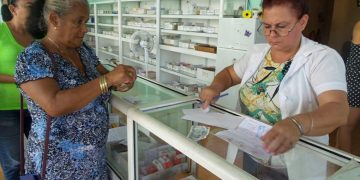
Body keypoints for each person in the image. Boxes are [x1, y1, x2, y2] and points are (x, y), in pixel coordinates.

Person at [199, 0, 349, 179]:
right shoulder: (257, 53)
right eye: (267, 26)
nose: (272, 34)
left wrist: (297, 124)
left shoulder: (322, 58)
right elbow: (230, 75)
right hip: (252, 151)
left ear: (303, 22)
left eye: (281, 26)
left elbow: (338, 110)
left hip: (293, 164)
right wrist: (215, 86)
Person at [14, 0, 137, 179]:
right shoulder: (32, 57)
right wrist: (108, 79)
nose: (85, 29)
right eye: (78, 21)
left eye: (86, 21)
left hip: (94, 161)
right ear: (54, 19)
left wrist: (121, 81)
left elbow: (104, 77)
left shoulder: (83, 50)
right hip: (57, 167)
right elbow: (55, 104)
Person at [0, 0, 34, 179]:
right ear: (13, 9)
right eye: (30, 5)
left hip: (38, 105)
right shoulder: (1, 32)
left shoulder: (38, 34)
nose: (36, 10)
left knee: (42, 157)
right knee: (14, 164)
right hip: (6, 110)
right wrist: (19, 80)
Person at [336, 20, 360, 153]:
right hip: (356, 85)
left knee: (344, 126)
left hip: (354, 83)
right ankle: (344, 164)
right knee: (346, 127)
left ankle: (336, 159)